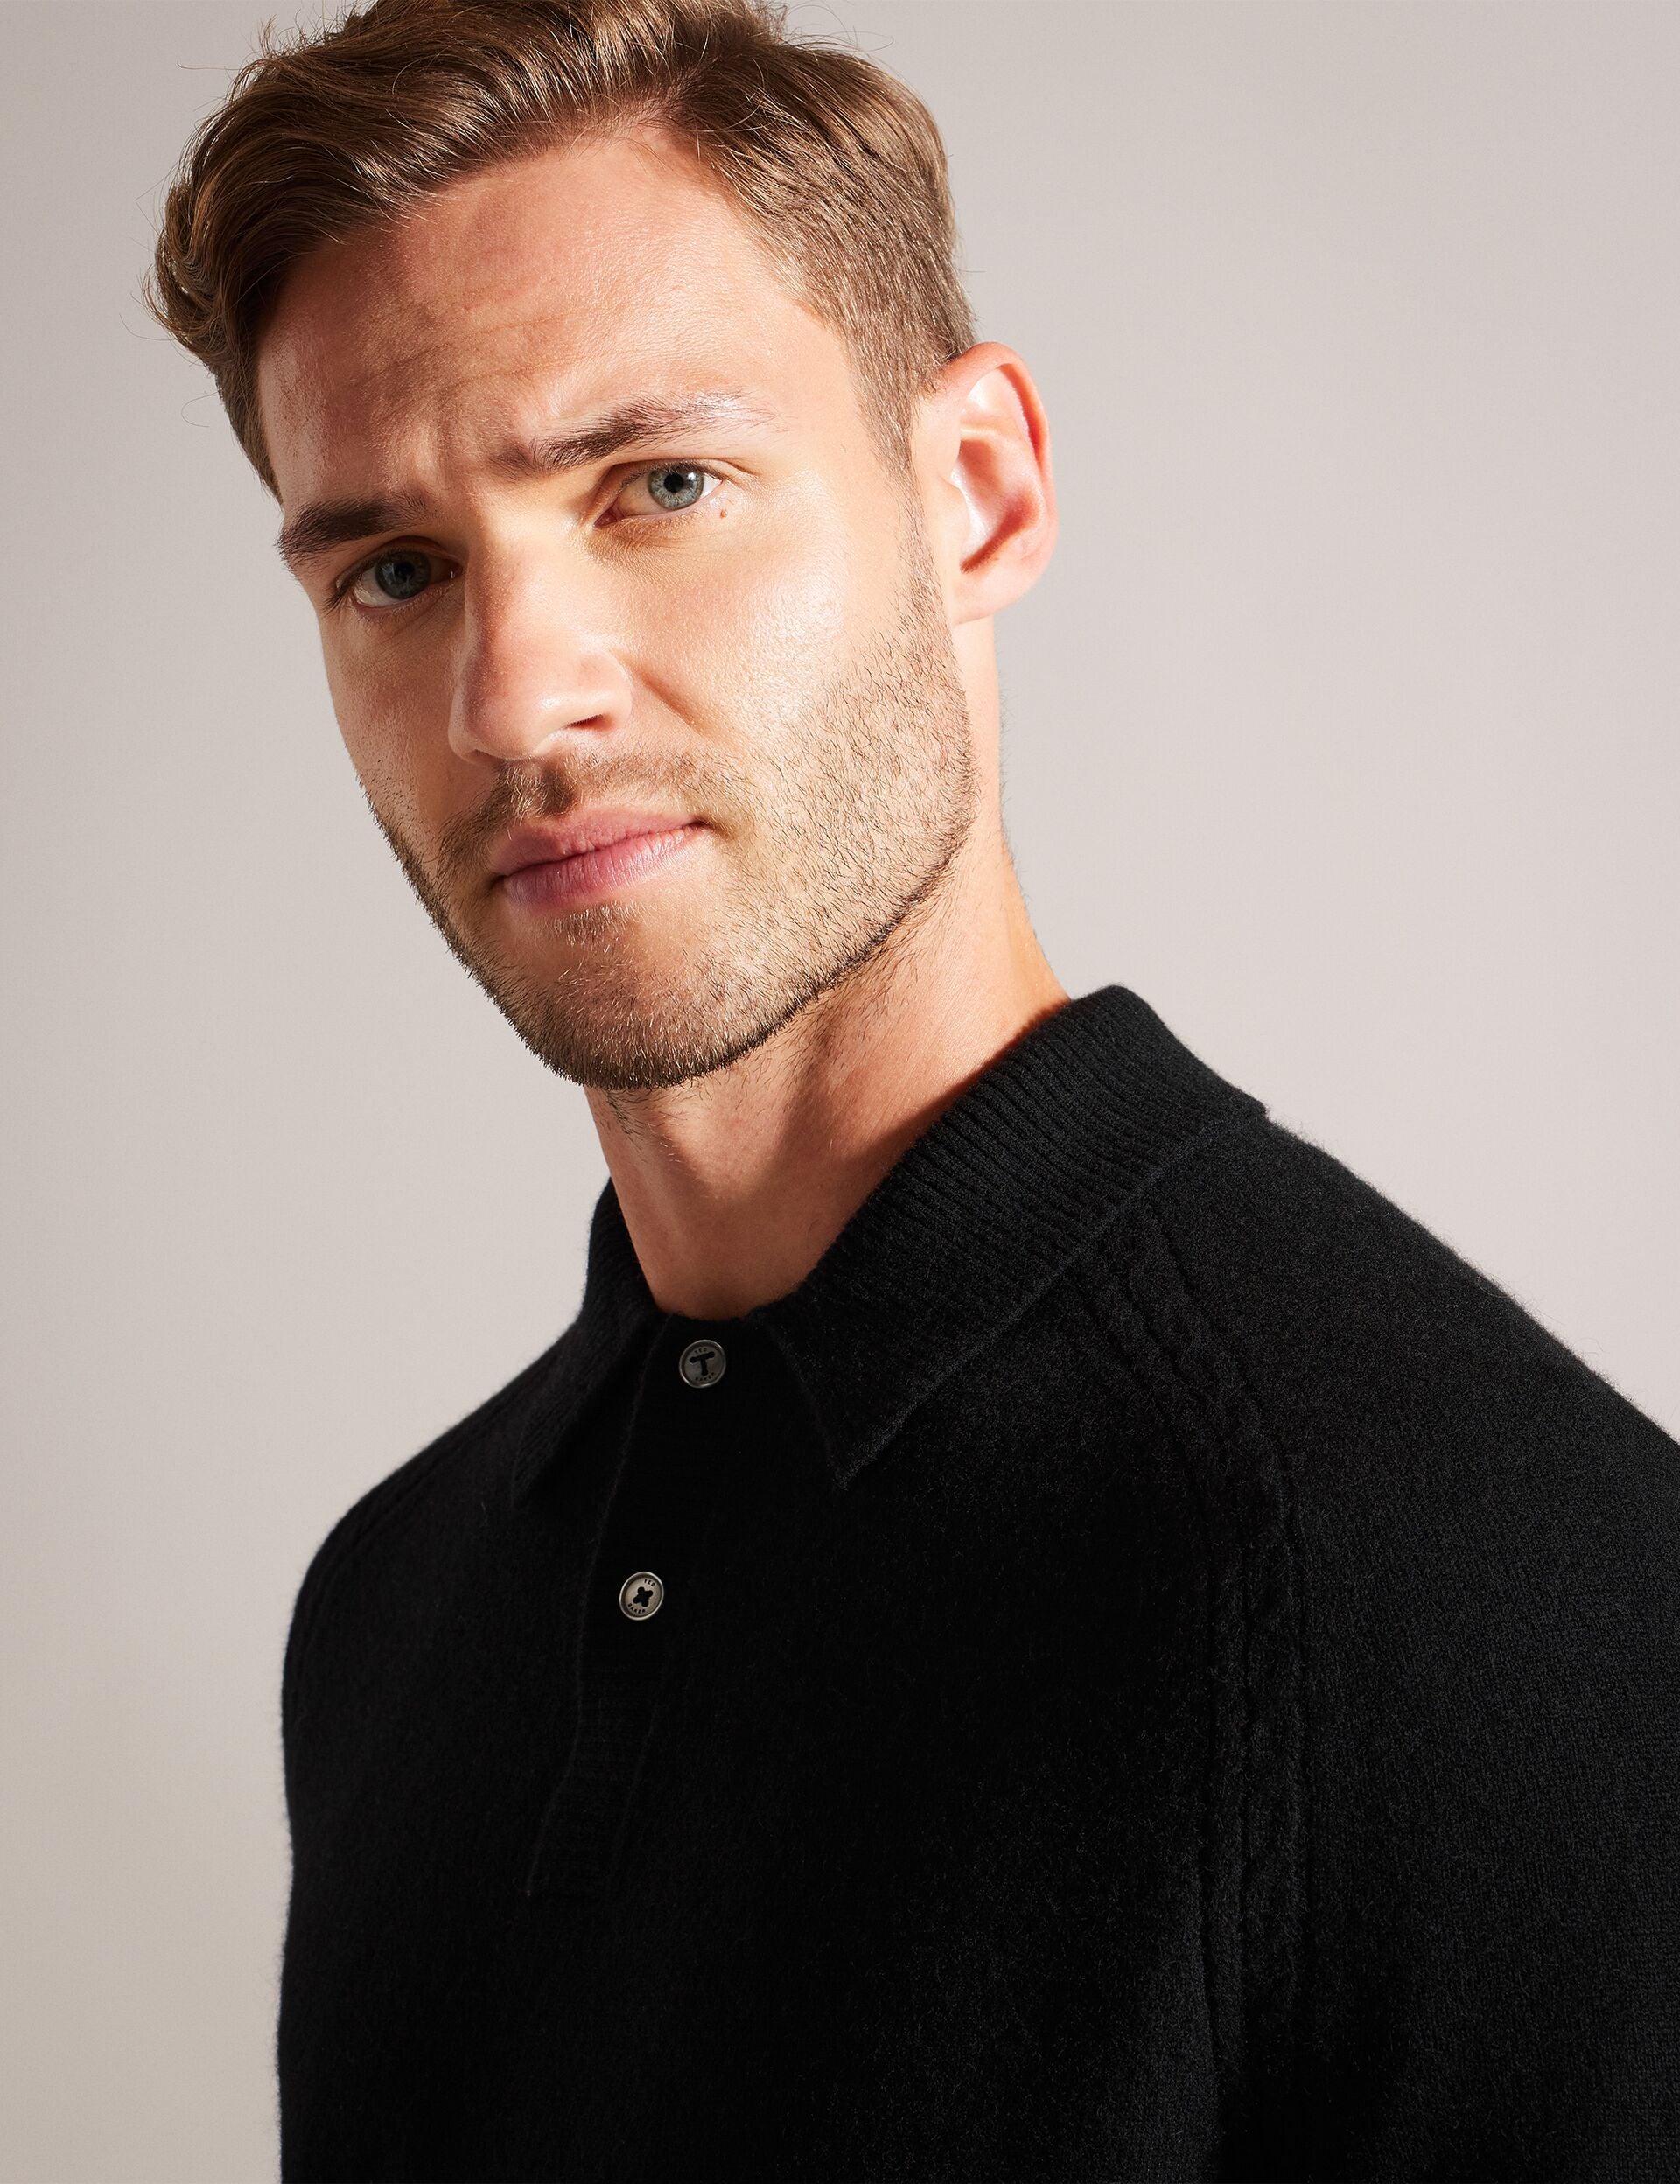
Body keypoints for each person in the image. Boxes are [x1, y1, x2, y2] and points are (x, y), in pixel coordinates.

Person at [145, 1, 1680, 2177]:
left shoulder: (1494, 1603)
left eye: (660, 486)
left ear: (976, 492)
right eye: (395, 569)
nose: (514, 696)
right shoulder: (395, 1609)